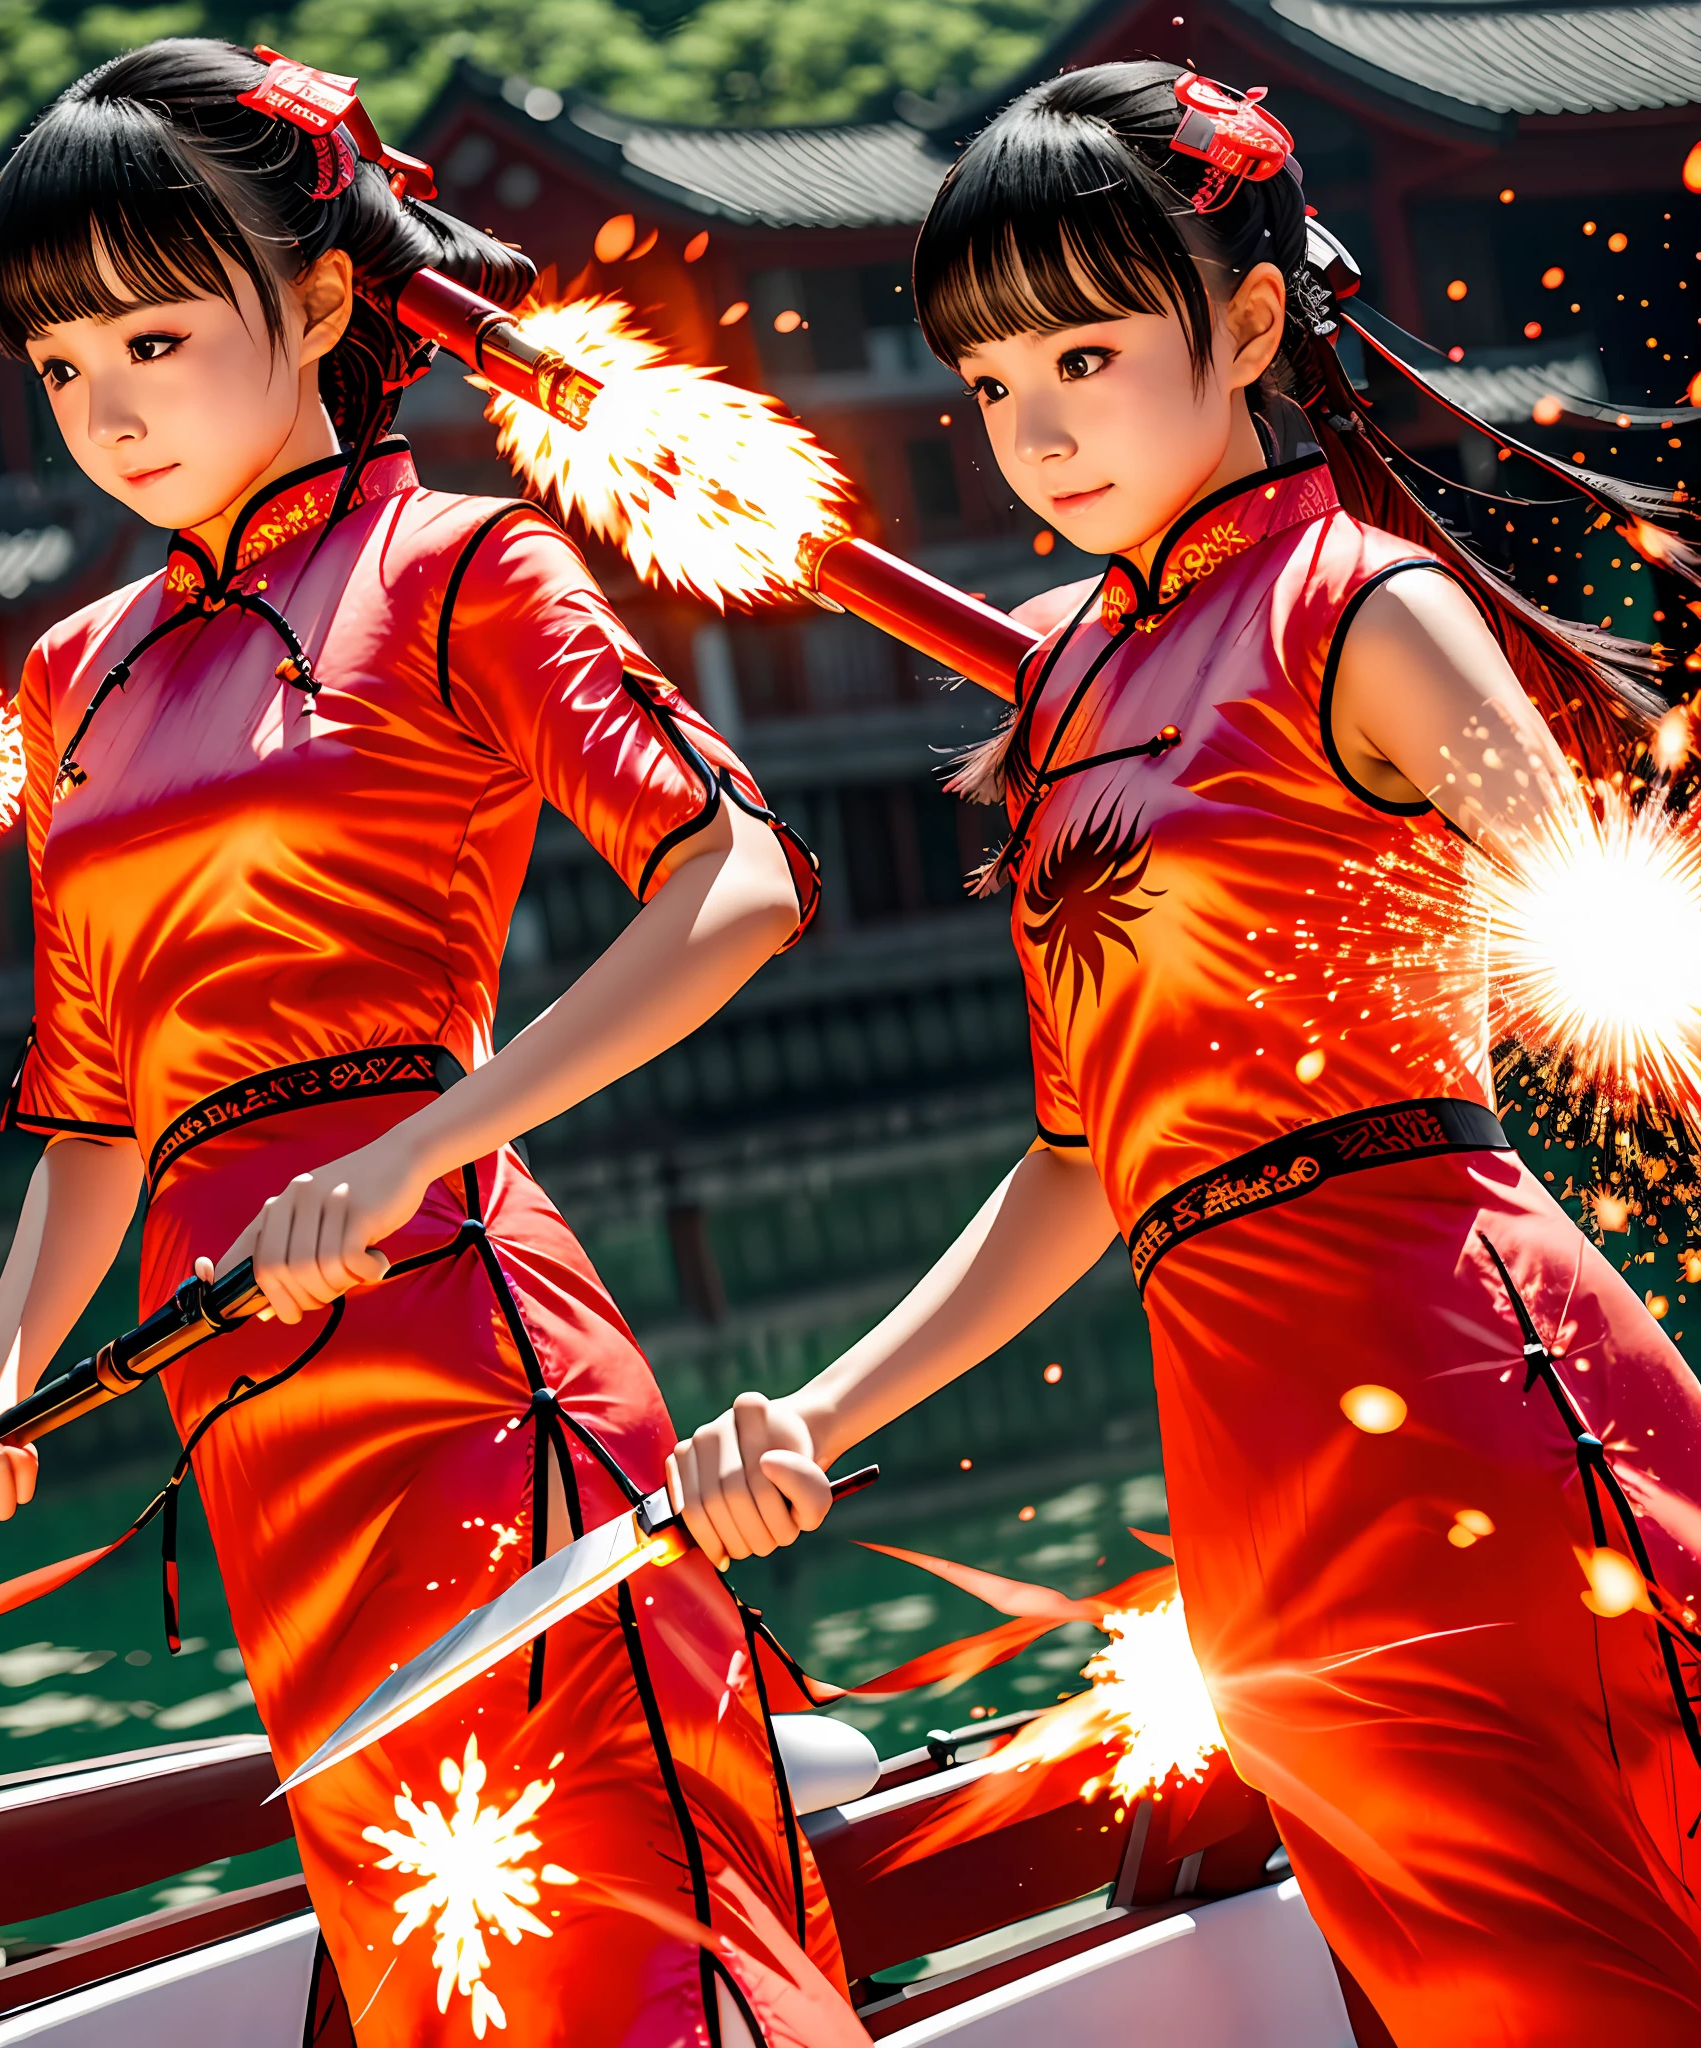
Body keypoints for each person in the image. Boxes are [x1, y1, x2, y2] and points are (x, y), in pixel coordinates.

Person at [669, 59, 1701, 2044]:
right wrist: (816, 1403)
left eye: (1082, 350)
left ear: (1238, 326)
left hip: (1466, 1397)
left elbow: (1619, 946)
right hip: (1239, 1466)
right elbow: (1082, 1160)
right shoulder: (1056, 682)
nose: (1034, 426)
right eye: (988, 383)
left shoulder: (1366, 607)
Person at [0, 39, 847, 2047]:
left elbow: (736, 883)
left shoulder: (462, 566)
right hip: (242, 1408)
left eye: (151, 330)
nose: (106, 403)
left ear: (319, 299)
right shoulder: (76, 670)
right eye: (62, 364)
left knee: (611, 1948)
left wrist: (420, 1149)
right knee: (435, 1955)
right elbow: (94, 1108)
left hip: (467, 1349)